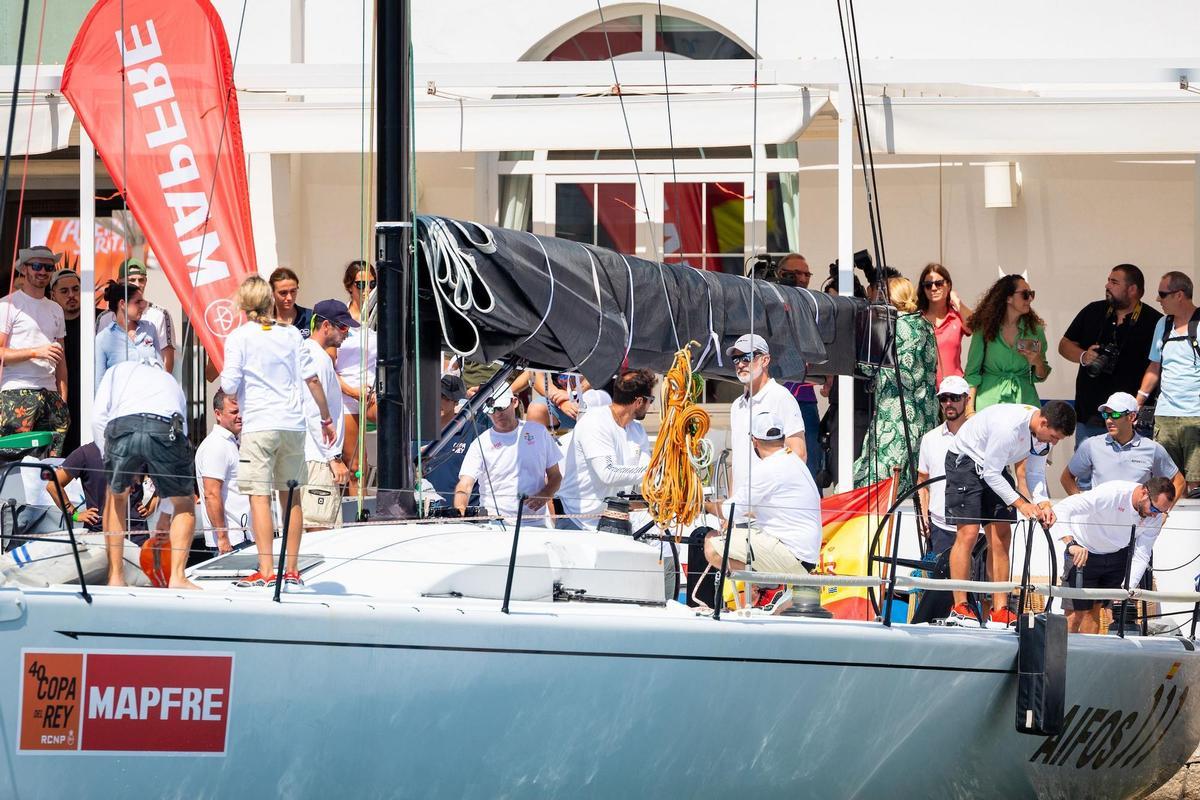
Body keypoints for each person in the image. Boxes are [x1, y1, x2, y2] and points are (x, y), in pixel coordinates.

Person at [221, 276, 337, 588]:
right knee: (292, 496)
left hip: (259, 424)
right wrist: (325, 418)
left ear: (245, 304)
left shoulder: (239, 337)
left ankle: (266, 569)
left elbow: (229, 386)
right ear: (270, 301)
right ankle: (292, 569)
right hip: (292, 425)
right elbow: (312, 379)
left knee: (259, 496)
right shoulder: (291, 335)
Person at [944, 400, 1076, 627]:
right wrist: (1022, 504)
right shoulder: (1008, 428)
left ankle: (1000, 609)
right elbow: (991, 473)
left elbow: (1034, 472)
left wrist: (1043, 503)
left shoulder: (1042, 433)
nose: (1054, 442)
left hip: (992, 467)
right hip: (965, 461)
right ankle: (960, 606)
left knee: (1002, 535)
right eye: (1054, 437)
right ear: (1043, 422)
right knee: (969, 533)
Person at [92, 360, 196, 588]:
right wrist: (166, 513)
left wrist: (109, 462)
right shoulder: (171, 381)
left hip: (123, 425)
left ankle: (116, 578)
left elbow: (98, 417)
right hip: (165, 425)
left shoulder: (115, 370)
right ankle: (177, 578)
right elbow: (183, 435)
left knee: (116, 497)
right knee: (185, 503)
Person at [704, 411, 822, 584]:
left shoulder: (768, 468)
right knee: (737, 536)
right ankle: (766, 586)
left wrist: (703, 505)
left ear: (755, 441)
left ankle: (762, 585)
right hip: (805, 555)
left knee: (712, 543)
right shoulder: (793, 460)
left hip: (791, 555)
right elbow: (771, 511)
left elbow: (730, 511)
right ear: (782, 438)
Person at [1053, 478, 1175, 634]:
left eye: (1161, 512)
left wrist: (1128, 586)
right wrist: (1071, 544)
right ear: (1144, 492)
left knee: (1099, 613)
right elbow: (1062, 508)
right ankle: (1066, 657)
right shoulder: (1112, 493)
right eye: (1155, 509)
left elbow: (1142, 553)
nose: (1154, 515)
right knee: (1075, 615)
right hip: (1083, 551)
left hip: (1118, 555)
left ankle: (1091, 658)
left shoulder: (1156, 516)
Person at [1058, 264, 1161, 446]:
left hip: (1132, 420)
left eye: (1114, 282)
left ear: (1132, 289)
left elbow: (1158, 366)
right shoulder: (1093, 311)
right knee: (1087, 472)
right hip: (1091, 416)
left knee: (1135, 473)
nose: (1107, 286)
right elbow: (1064, 344)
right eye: (1108, 281)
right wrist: (1084, 356)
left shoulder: (1154, 321)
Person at [854, 276, 939, 492]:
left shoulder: (890, 325)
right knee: (918, 475)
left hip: (894, 413)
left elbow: (869, 368)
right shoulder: (925, 325)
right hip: (924, 413)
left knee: (882, 476)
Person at [453, 382, 562, 526]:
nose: (497, 414)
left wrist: (545, 494)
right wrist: (460, 511)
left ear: (514, 402)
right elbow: (465, 484)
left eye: (501, 407)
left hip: (535, 523)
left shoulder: (539, 432)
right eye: (491, 409)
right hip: (495, 523)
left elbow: (555, 475)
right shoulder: (481, 443)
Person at [559, 369, 655, 522]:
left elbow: (646, 471)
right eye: (651, 399)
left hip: (614, 519)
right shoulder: (595, 422)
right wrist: (658, 472)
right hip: (578, 521)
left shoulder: (637, 429)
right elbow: (607, 473)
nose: (651, 404)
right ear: (639, 402)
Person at [0, 247, 68, 455]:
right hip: (16, 392)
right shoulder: (7, 304)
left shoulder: (56, 309)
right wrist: (36, 352)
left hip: (50, 396)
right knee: (14, 462)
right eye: (37, 266)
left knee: (49, 465)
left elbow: (61, 361)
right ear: (24, 269)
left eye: (48, 267)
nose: (43, 271)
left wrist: (62, 402)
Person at [1136, 271, 1200, 495]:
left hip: (1196, 416)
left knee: (1196, 484)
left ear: (1179, 295)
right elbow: (1155, 366)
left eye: (1162, 294)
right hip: (1165, 416)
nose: (1157, 300)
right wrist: (1137, 402)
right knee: (1166, 484)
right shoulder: (1163, 324)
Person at [1062, 392, 1185, 500]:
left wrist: (1162, 512)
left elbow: (1178, 482)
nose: (1109, 420)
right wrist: (1083, 505)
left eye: (1115, 415)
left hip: (1137, 521)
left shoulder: (1153, 449)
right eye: (1106, 415)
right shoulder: (1090, 445)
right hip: (1101, 522)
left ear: (1132, 417)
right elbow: (1067, 477)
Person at [727, 334, 805, 498]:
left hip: (770, 511)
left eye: (747, 357)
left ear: (765, 360)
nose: (740, 364)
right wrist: (731, 506)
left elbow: (799, 453)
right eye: (736, 359)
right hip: (741, 511)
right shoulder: (737, 406)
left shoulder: (781, 397)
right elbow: (738, 461)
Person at [301, 300, 355, 531]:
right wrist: (334, 457)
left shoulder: (306, 353)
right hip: (318, 457)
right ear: (326, 326)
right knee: (319, 531)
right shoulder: (319, 359)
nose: (347, 333)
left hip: (311, 455)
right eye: (342, 327)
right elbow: (313, 410)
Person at [964, 274, 1050, 412]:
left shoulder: (1035, 330)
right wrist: (969, 411)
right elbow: (972, 373)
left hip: (1024, 403)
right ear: (1008, 298)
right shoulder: (984, 328)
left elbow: (1041, 375)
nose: (1030, 299)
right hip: (988, 403)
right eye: (1025, 294)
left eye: (1031, 294)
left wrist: (1038, 362)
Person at [334, 260, 378, 494]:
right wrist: (351, 391)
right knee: (356, 465)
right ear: (349, 286)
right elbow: (327, 366)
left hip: (372, 392)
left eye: (372, 284)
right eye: (361, 284)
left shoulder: (381, 318)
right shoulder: (339, 318)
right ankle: (357, 517)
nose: (367, 290)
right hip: (346, 393)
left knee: (398, 426)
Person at [916, 375, 972, 555]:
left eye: (955, 398)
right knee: (938, 583)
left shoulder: (981, 437)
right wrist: (923, 516)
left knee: (976, 583)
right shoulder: (929, 439)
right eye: (943, 398)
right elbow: (922, 482)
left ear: (967, 399)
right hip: (940, 528)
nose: (949, 403)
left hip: (975, 528)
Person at [194, 390, 252, 556]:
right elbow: (211, 494)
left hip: (243, 537)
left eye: (242, 411)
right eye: (234, 412)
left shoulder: (231, 443)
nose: (240, 416)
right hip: (232, 542)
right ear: (218, 414)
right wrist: (222, 537)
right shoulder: (216, 445)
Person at [96, 260, 175, 373]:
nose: (137, 284)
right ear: (119, 282)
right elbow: (98, 368)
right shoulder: (104, 319)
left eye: (141, 280)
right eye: (132, 280)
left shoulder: (159, 315)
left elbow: (165, 362)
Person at [420, 374, 481, 507]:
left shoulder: (474, 432)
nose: (439, 402)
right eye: (437, 396)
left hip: (464, 515)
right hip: (424, 513)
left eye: (446, 398)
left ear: (456, 402)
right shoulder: (417, 431)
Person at [93, 281, 161, 391]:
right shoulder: (103, 339)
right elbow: (99, 385)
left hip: (150, 403)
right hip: (121, 406)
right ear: (123, 304)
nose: (143, 306)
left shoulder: (150, 328)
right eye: (138, 302)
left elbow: (161, 370)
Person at [917, 263, 974, 386]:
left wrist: (958, 302)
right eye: (928, 285)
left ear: (948, 285)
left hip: (954, 392)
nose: (933, 288)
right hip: (924, 391)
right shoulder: (917, 319)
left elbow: (974, 326)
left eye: (938, 283)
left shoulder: (957, 316)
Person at [48, 269, 82, 453]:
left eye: (76, 289)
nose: (71, 295)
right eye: (64, 291)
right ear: (53, 295)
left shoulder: (97, 320)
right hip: (58, 400)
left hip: (87, 401)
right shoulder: (47, 324)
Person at [269, 267, 314, 338]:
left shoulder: (311, 317)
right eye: (283, 293)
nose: (289, 298)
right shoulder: (264, 320)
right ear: (272, 292)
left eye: (293, 291)